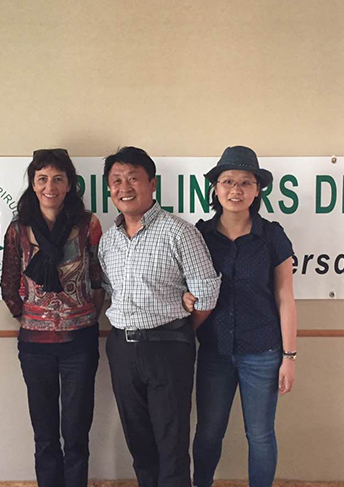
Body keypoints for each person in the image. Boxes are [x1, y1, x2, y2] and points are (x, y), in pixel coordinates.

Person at [98, 146, 221, 487]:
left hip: (169, 348)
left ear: (152, 184)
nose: (124, 187)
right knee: (138, 441)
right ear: (109, 189)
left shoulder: (179, 232)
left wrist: (178, 329)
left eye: (133, 178)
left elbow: (206, 294)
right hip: (122, 348)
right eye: (116, 181)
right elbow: (109, 290)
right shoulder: (108, 241)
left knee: (171, 443)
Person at [184, 145, 298, 487]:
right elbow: (184, 287)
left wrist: (289, 357)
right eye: (228, 181)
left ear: (257, 190)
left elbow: (285, 297)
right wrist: (185, 298)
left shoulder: (272, 236)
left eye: (246, 182)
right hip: (214, 351)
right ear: (216, 188)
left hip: (263, 351)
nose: (236, 190)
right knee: (208, 432)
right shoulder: (200, 235)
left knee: (260, 434)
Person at [0, 148, 103, 487]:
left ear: (70, 184)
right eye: (42, 178)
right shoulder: (19, 229)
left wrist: (82, 315)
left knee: (76, 433)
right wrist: (30, 316)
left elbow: (99, 279)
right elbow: (9, 282)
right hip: (35, 346)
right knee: (44, 435)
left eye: (58, 179)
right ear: (32, 183)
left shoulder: (88, 225)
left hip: (80, 343)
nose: (50, 186)